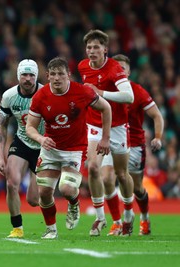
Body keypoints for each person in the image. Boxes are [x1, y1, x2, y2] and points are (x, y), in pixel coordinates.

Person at [26, 57, 111, 239]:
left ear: (68, 75)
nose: (57, 78)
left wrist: (105, 138)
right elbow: (30, 127)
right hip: (50, 149)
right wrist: (41, 139)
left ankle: (74, 202)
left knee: (66, 189)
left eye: (61, 74)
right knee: (44, 191)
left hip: (74, 149)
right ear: (47, 76)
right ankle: (51, 229)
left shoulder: (82, 92)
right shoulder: (40, 97)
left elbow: (106, 108)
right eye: (53, 74)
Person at [78, 29, 135, 236]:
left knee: (121, 174)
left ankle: (128, 214)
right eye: (89, 47)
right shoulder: (82, 66)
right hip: (94, 125)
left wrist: (101, 93)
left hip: (118, 127)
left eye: (96, 47)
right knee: (93, 168)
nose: (92, 51)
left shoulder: (114, 69)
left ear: (105, 49)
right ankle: (100, 217)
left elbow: (128, 97)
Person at [101, 54, 164, 236]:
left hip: (134, 144)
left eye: (122, 68)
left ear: (128, 72)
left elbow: (157, 115)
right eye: (116, 68)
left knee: (136, 187)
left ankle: (144, 217)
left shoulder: (136, 91)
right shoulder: (105, 90)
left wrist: (158, 137)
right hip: (110, 139)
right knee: (106, 179)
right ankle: (118, 222)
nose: (119, 71)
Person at [0, 59, 43, 238]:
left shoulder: (46, 93)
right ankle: (17, 228)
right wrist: (0, 157)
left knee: (33, 200)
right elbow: (2, 126)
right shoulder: (9, 96)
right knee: (11, 183)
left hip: (44, 146)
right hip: (22, 142)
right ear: (18, 76)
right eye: (24, 74)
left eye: (32, 75)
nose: (28, 79)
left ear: (37, 76)